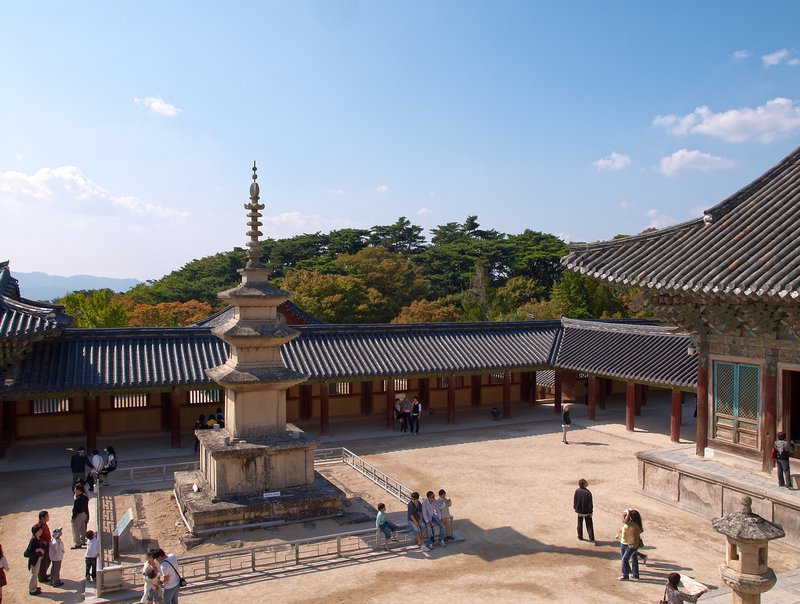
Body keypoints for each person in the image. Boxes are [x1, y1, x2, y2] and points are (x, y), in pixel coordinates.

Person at [616, 509, 642, 580]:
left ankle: (625, 575)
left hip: (631, 545)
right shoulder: (637, 525)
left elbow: (624, 521)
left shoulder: (633, 525)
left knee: (625, 559)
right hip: (634, 544)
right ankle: (635, 575)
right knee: (634, 559)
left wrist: (628, 512)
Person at [24, 524, 46, 596]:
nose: (41, 532)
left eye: (41, 530)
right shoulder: (33, 539)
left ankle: (34, 587)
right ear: (35, 532)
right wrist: (39, 549)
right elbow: (31, 550)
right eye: (39, 531)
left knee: (35, 573)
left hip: (37, 558)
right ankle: (32, 590)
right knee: (34, 574)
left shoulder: (37, 538)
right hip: (34, 559)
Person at [71, 484, 89, 549]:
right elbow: (86, 507)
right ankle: (83, 541)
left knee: (76, 530)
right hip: (84, 514)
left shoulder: (77, 499)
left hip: (78, 516)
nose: (74, 491)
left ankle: (78, 544)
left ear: (79, 490)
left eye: (75, 490)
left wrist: (73, 517)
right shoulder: (85, 497)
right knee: (82, 529)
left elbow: (75, 510)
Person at [36, 510, 51, 583]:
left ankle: (44, 574)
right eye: (47, 516)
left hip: (47, 544)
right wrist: (43, 541)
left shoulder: (44, 523)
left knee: (48, 560)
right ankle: (41, 577)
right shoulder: (38, 526)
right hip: (43, 546)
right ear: (42, 518)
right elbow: (36, 536)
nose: (48, 517)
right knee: (43, 561)